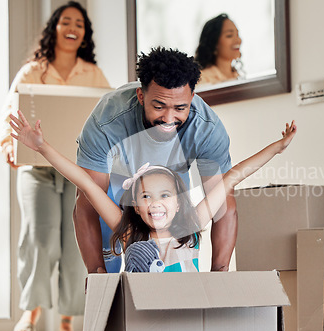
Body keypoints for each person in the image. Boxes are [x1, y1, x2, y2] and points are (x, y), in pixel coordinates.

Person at [9, 110, 297, 271]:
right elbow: (85, 183)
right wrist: (42, 147)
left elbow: (232, 176)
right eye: (146, 196)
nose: (156, 204)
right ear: (135, 205)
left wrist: (278, 147)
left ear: (178, 202)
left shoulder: (190, 227)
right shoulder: (130, 233)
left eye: (165, 195)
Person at [0, 2, 110, 331]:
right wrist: (7, 145)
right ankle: (31, 312)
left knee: (76, 245)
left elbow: (110, 113)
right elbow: (7, 113)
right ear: (54, 29)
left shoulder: (93, 74)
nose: (73, 27)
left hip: (75, 170)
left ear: (84, 33)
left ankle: (66, 322)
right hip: (36, 169)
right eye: (65, 21)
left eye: (79, 23)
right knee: (40, 239)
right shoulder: (33, 70)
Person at [73, 47, 237, 276]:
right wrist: (96, 272)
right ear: (141, 96)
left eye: (180, 108)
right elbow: (87, 202)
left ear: (192, 97)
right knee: (106, 268)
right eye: (159, 107)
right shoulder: (106, 121)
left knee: (176, 252)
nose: (169, 119)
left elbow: (223, 205)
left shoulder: (207, 130)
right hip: (118, 177)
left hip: (170, 173)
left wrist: (220, 273)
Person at [195, 13, 243, 85]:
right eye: (229, 35)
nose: (238, 40)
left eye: (237, 34)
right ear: (214, 43)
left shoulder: (237, 76)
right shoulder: (202, 79)